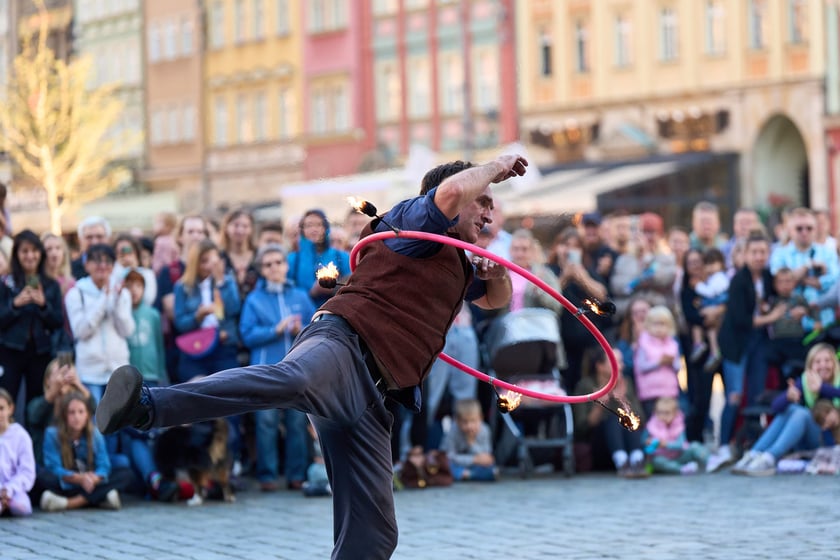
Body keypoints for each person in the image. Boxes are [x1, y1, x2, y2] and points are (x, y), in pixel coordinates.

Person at [95, 153, 525, 559]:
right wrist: (496, 165)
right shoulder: (412, 221)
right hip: (344, 344)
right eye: (483, 201)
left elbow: (495, 300)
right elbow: (450, 193)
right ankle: (147, 405)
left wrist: (499, 274)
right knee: (292, 381)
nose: (489, 213)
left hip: (373, 399)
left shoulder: (459, 260)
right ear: (457, 198)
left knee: (375, 533)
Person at [239, 244, 315, 491]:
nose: (274, 268)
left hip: (297, 369)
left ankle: (296, 474)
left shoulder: (300, 295)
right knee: (266, 422)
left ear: (286, 265)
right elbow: (247, 334)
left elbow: (317, 328)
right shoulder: (254, 300)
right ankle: (267, 475)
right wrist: (275, 330)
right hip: (265, 370)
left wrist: (300, 329)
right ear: (262, 270)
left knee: (297, 422)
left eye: (278, 262)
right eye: (268, 264)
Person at [709, 233, 780, 472]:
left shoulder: (768, 277)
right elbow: (741, 321)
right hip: (736, 344)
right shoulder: (739, 280)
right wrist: (772, 316)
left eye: (763, 252)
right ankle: (723, 445)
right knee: (735, 395)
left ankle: (751, 444)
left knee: (756, 395)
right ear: (746, 254)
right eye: (755, 252)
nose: (759, 256)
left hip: (759, 342)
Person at [731, 343, 840, 476]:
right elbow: (775, 407)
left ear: (834, 363)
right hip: (809, 440)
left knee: (801, 413)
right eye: (817, 362)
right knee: (791, 408)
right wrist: (788, 397)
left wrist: (823, 388)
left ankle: (770, 457)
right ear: (810, 366)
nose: (823, 365)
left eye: (827, 361)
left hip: (831, 441)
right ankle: (755, 453)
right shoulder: (805, 381)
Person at [0, 230, 65, 409]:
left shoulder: (51, 284)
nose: (30, 256)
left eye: (34, 251)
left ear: (40, 253)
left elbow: (58, 321)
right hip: (10, 350)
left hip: (40, 352)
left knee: (36, 403)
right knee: (6, 398)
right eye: (25, 251)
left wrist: (43, 305)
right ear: (17, 254)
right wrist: (15, 305)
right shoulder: (6, 283)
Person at [39, 392, 133, 511]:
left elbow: (104, 465)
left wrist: (94, 478)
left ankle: (69, 503)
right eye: (71, 412)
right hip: (68, 483)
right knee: (43, 476)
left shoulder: (95, 434)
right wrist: (80, 478)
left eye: (81, 412)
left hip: (91, 483)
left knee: (125, 473)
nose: (77, 417)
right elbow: (53, 467)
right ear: (64, 415)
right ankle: (100, 497)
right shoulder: (52, 434)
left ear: (87, 414)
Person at [64, 244, 135, 402]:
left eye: (108, 261)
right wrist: (104, 299)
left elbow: (127, 331)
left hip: (118, 370)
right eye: (97, 261)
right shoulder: (76, 293)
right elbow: (81, 331)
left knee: (118, 417)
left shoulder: (122, 293)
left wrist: (116, 302)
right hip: (89, 373)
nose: (103, 266)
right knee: (94, 416)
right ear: (86, 264)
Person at [172, 239, 241, 383]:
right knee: (197, 387)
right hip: (195, 347)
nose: (209, 266)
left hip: (223, 345)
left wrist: (220, 282)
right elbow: (180, 323)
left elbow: (234, 309)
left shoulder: (227, 281)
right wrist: (198, 316)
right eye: (204, 261)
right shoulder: (182, 287)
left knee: (227, 387)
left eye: (213, 261)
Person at [573, 347, 646, 478]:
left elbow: (641, 421)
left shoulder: (626, 383)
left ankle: (637, 461)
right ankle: (622, 462)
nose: (621, 366)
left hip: (626, 444)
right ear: (600, 366)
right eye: (616, 362)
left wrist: (623, 401)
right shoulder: (586, 385)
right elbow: (581, 428)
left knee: (627, 420)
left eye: (621, 362)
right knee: (613, 420)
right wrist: (601, 404)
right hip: (598, 446)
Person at [287, 209, 351, 307]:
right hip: (304, 312)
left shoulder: (341, 256)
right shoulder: (292, 260)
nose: (314, 229)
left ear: (326, 228)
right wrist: (312, 292)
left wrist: (333, 287)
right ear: (302, 230)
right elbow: (288, 291)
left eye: (318, 225)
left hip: (335, 309)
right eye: (309, 225)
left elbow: (350, 285)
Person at [633, 305, 681, 419]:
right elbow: (640, 366)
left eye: (663, 324)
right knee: (653, 421)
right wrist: (658, 363)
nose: (659, 328)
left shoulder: (673, 344)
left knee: (669, 420)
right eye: (655, 324)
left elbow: (678, 367)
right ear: (648, 325)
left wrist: (671, 362)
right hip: (650, 392)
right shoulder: (643, 343)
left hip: (668, 391)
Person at [642, 396, 709, 475]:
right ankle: (682, 469)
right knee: (657, 461)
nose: (662, 416)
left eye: (667, 413)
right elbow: (643, 441)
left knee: (695, 446)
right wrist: (647, 442)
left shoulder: (679, 426)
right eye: (659, 412)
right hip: (662, 457)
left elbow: (680, 444)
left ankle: (709, 462)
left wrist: (666, 444)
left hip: (680, 455)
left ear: (675, 413)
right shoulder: (651, 426)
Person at [690, 248, 729, 373]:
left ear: (721, 264)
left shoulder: (720, 277)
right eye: (707, 264)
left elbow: (711, 292)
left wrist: (697, 286)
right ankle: (701, 345)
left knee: (710, 328)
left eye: (713, 263)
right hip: (711, 306)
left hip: (717, 308)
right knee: (702, 326)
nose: (710, 267)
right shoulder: (711, 278)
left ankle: (712, 350)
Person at [440, 399, 497, 482]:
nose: (469, 426)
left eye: (473, 421)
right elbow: (449, 456)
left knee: (491, 467)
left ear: (481, 418)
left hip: (475, 465)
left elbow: (486, 457)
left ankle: (466, 474)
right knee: (445, 464)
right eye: (465, 422)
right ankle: (472, 475)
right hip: (458, 464)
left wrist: (472, 443)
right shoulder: (452, 431)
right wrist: (473, 459)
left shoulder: (485, 430)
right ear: (457, 421)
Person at [0, 388, 36, 517]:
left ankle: (7, 504)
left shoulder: (21, 436)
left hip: (15, 490)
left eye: (1, 408)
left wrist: (9, 489)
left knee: (22, 507)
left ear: (11, 409)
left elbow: (27, 471)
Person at [112, 234, 157, 307]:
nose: (124, 255)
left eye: (128, 250)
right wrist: (118, 267)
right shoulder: (113, 272)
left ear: (136, 252)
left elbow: (148, 299)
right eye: (119, 252)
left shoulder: (147, 274)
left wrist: (133, 269)